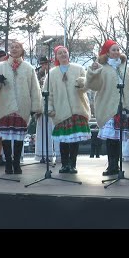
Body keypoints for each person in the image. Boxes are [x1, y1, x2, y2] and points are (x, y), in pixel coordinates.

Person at [86, 39, 129, 176]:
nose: (117, 52)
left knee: (118, 139)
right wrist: (92, 72)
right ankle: (111, 165)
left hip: (124, 107)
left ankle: (117, 166)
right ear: (107, 52)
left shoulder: (125, 67)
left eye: (118, 49)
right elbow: (94, 86)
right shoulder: (102, 68)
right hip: (109, 107)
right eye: (113, 50)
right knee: (111, 139)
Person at [0, 41, 42, 175]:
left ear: (22, 50)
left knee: (19, 137)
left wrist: (36, 106)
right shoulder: (1, 66)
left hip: (22, 106)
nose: (14, 49)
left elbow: (34, 88)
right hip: (4, 105)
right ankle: (8, 164)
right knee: (5, 137)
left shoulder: (28, 68)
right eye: (11, 47)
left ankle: (16, 163)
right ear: (9, 51)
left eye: (17, 47)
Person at [46, 45, 91, 174]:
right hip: (61, 111)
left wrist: (82, 83)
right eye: (60, 53)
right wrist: (50, 108)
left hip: (77, 108)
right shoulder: (52, 73)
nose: (63, 55)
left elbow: (87, 85)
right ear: (56, 56)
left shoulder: (79, 68)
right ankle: (64, 164)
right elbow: (48, 93)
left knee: (74, 140)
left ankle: (73, 164)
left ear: (68, 54)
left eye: (65, 52)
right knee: (64, 140)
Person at [34, 55, 57, 164]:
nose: (44, 66)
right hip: (41, 105)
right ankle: (44, 154)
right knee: (43, 131)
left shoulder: (54, 73)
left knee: (56, 129)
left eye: (46, 63)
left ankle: (59, 154)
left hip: (53, 104)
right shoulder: (37, 74)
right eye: (43, 64)